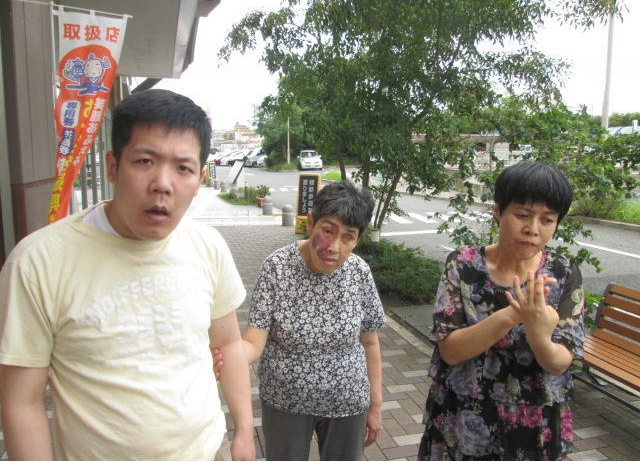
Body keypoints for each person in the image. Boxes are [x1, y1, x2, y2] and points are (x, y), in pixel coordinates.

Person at [0, 89, 255, 461]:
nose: (163, 183)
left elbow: (228, 343)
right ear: (112, 167)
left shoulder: (208, 245)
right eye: (145, 161)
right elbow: (22, 402)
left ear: (201, 178)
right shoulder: (38, 263)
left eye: (183, 168)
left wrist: (244, 430)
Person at [418, 162, 585, 460]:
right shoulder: (462, 266)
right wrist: (514, 314)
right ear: (498, 211)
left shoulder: (563, 273)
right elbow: (451, 351)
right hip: (465, 414)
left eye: (547, 220)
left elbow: (560, 362)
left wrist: (539, 334)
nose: (533, 229)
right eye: (522, 215)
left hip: (533, 419)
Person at [217, 180, 386, 460]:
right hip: (284, 402)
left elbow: (370, 343)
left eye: (348, 237)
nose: (334, 247)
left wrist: (375, 405)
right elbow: (253, 344)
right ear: (310, 223)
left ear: (357, 240)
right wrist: (222, 355)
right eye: (327, 231)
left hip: (348, 402)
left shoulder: (359, 273)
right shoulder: (276, 268)